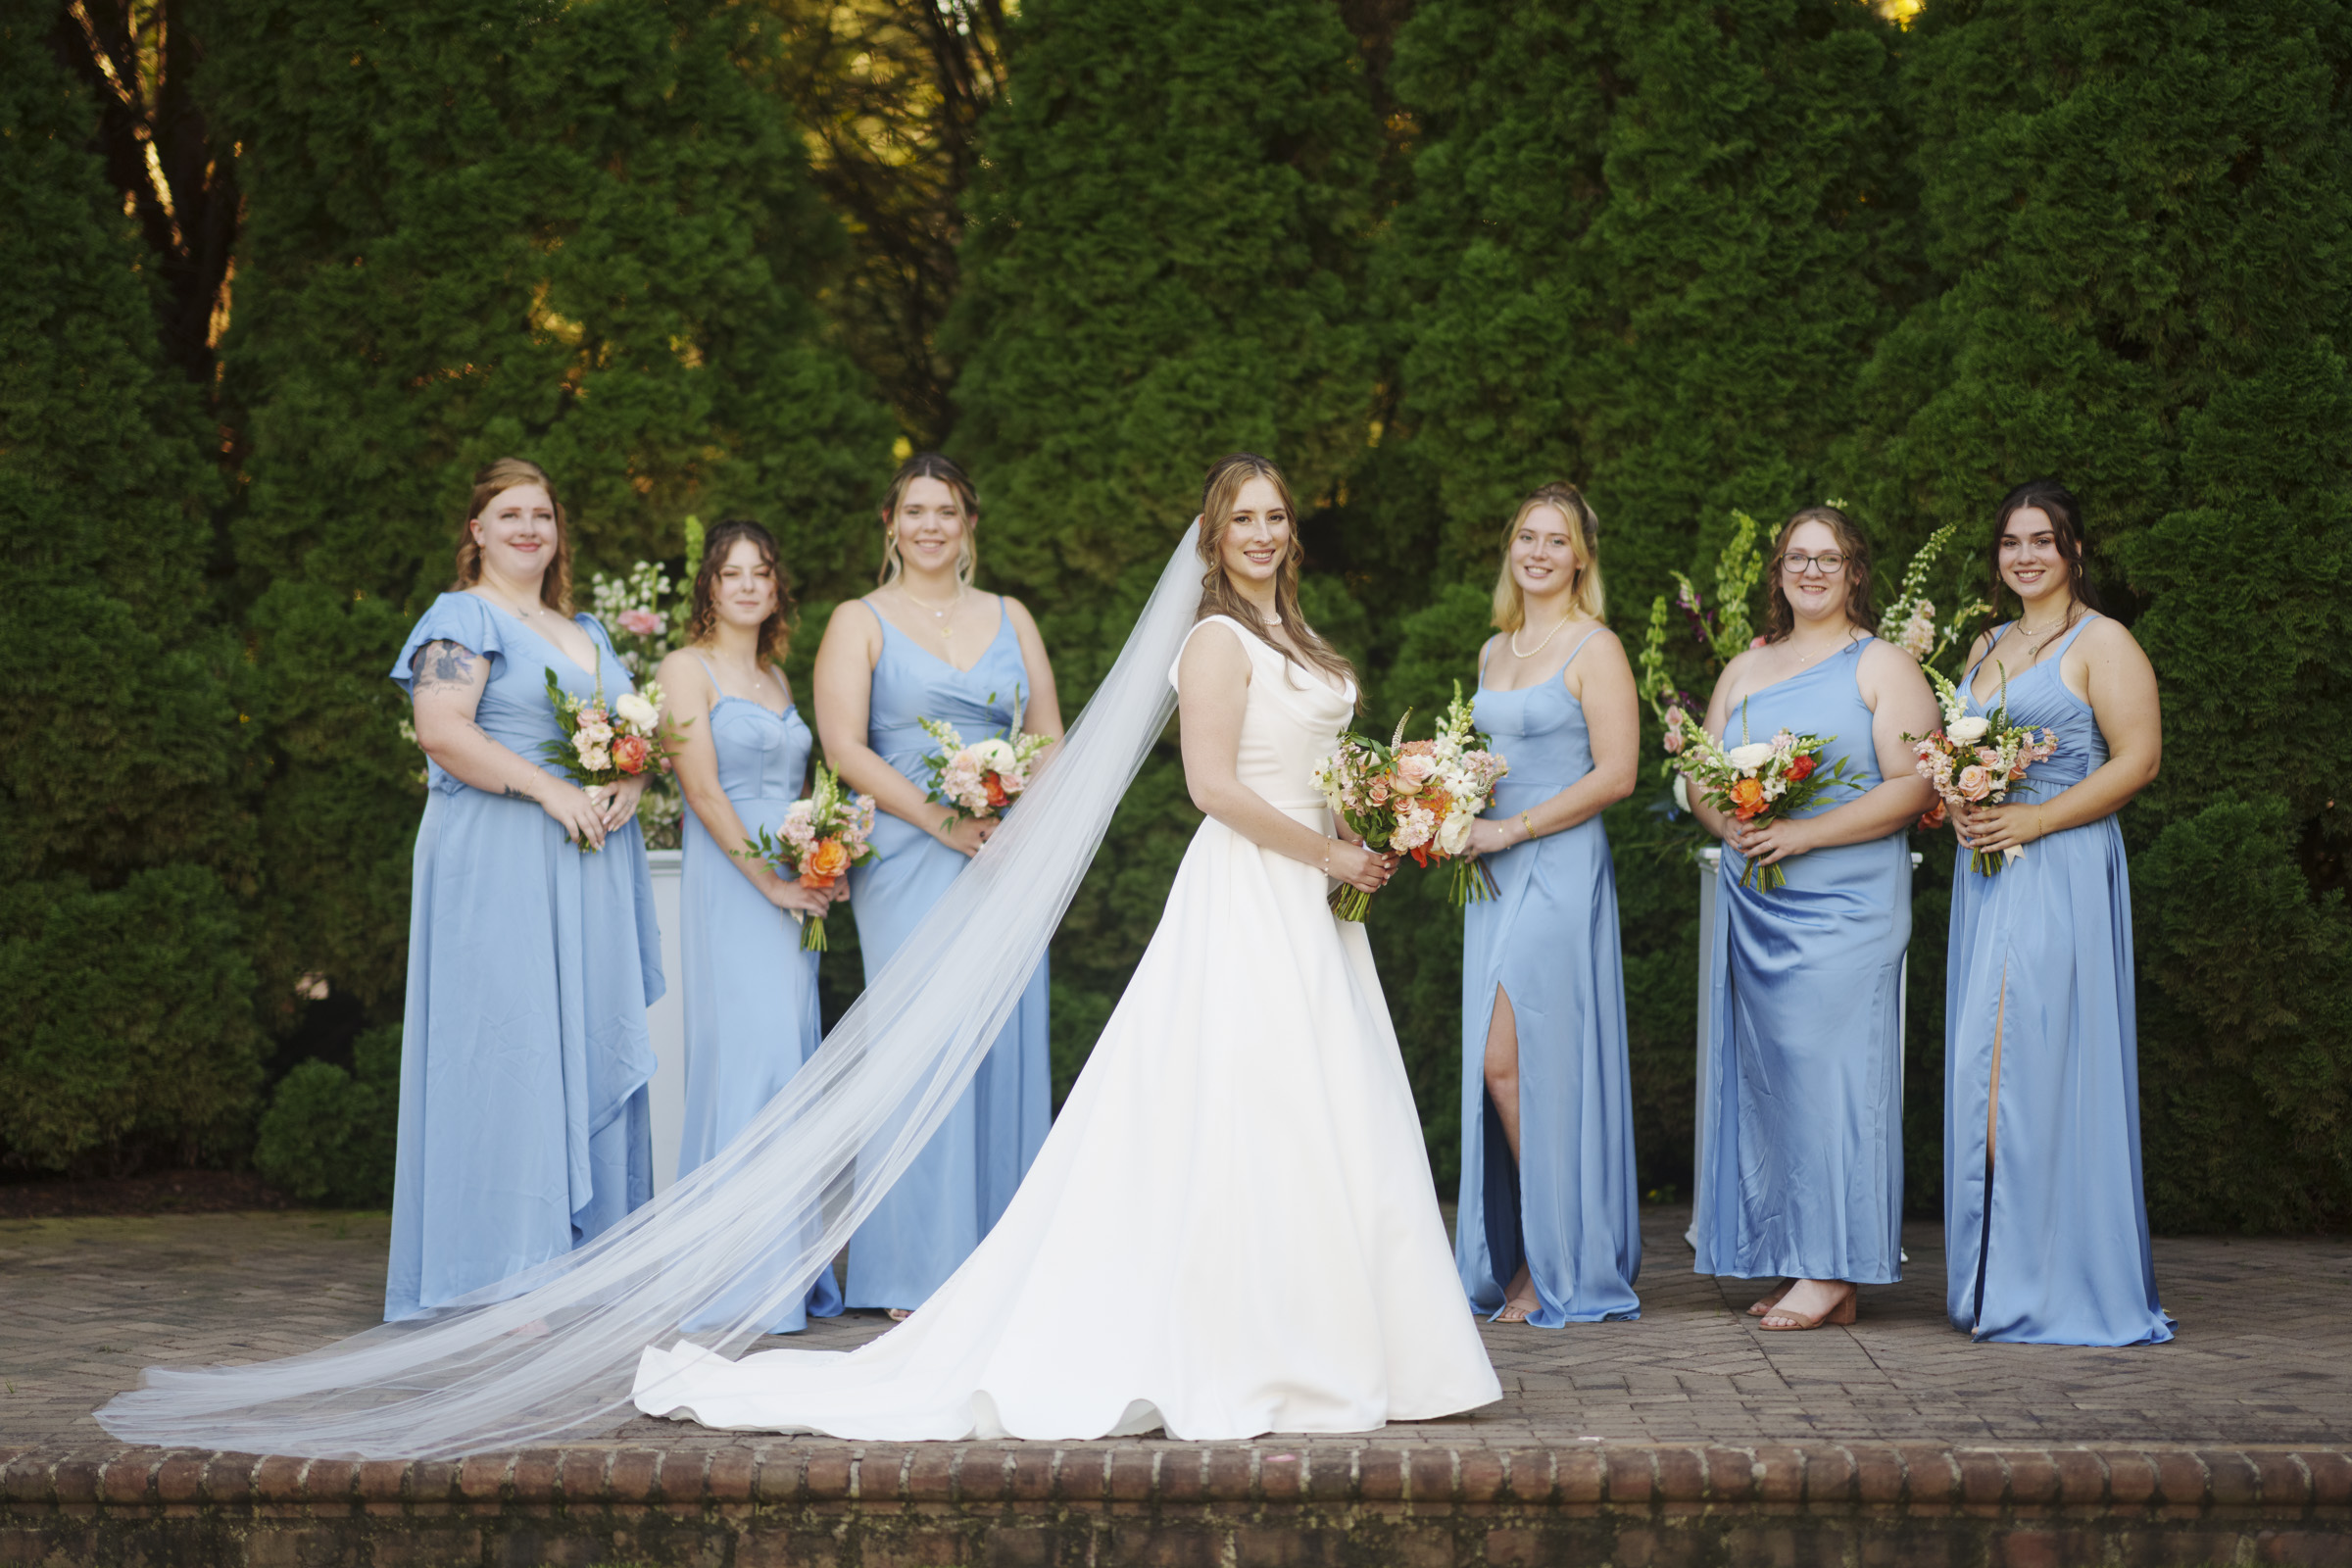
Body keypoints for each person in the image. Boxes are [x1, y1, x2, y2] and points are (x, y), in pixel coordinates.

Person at [630, 453, 1502, 1440]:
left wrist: (1397, 795)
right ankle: (1264, 1341)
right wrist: (1328, 855)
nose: (1261, 533)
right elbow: (1212, 786)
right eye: (1242, 518)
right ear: (1214, 536)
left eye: (1275, 517)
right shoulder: (1215, 637)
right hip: (1257, 883)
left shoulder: (1292, 631)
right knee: (1259, 1095)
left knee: (1330, 1096)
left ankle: (1368, 1340)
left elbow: (1310, 760)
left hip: (1312, 885)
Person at [384, 458, 663, 1321]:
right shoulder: (461, 617)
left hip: (587, 861)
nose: (529, 528)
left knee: (582, 1040)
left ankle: (588, 1271)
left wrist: (631, 784)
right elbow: (441, 729)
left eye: (542, 513)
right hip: (498, 854)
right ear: (476, 531)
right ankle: (498, 1271)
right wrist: (548, 789)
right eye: (509, 514)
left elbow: (628, 739)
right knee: (505, 1049)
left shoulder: (587, 630)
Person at [811, 454, 1062, 1318]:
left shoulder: (1010, 615)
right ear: (890, 523)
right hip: (913, 850)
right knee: (921, 1045)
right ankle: (913, 1269)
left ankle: (1001, 1262)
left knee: (1002, 1038)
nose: (929, 525)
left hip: (1005, 853)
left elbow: (1050, 737)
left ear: (968, 525)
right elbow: (845, 746)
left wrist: (1027, 822)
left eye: (945, 511)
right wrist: (941, 820)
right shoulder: (860, 619)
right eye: (913, 510)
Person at [1687, 506, 1936, 1332]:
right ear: (1778, 572)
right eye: (1798, 557)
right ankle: (1813, 1261)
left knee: (1837, 1076)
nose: (1812, 571)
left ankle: (1832, 1266)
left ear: (1856, 571)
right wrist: (1737, 826)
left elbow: (1913, 787)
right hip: (1757, 897)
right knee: (1779, 1080)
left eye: (1829, 558)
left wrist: (1802, 831)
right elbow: (1699, 775)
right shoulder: (1744, 669)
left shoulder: (1885, 666)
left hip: (1847, 903)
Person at [1944, 480, 2170, 1345]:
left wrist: (2035, 817)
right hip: (1989, 874)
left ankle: (2057, 1281)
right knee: (1983, 1083)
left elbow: (2139, 758)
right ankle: (2003, 1277)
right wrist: (1962, 802)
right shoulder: (1985, 641)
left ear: (2074, 552)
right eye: (2011, 542)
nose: (2026, 555)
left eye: (2044, 540)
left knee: (2030, 1078)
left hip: (2061, 865)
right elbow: (1965, 751)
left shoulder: (2103, 641)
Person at [1454, 483, 1642, 1324]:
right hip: (1491, 873)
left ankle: (1551, 1255)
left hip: (1557, 866)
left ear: (1581, 557)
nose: (1537, 552)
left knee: (1519, 1061)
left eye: (1555, 541)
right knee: (1500, 1066)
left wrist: (1511, 829)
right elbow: (1488, 758)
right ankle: (1526, 1246)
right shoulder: (1496, 652)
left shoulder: (1594, 647)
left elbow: (1617, 774)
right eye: (1526, 536)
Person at [655, 520, 845, 1333]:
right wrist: (767, 881)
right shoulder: (683, 670)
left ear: (775, 589)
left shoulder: (775, 677)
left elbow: (798, 789)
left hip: (790, 885)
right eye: (730, 573)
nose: (745, 585)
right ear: (710, 586)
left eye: (760, 573)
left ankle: (787, 1269)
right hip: (736, 883)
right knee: (749, 1056)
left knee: (789, 1061)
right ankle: (732, 1278)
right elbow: (702, 792)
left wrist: (821, 857)